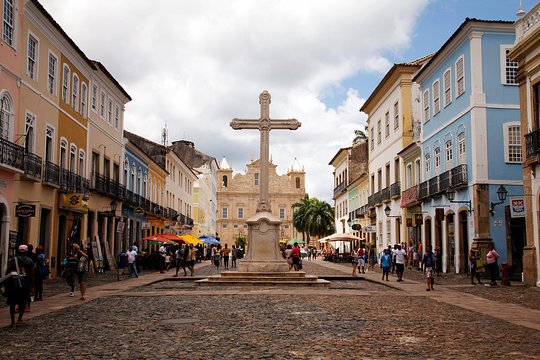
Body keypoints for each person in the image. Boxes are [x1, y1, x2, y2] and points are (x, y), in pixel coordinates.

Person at [4, 245, 34, 327]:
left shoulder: (13, 260)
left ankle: (12, 321)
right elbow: (31, 274)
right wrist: (32, 286)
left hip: (14, 283)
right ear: (26, 252)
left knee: (12, 303)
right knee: (23, 302)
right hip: (25, 283)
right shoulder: (30, 261)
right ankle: (20, 318)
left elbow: (8, 271)